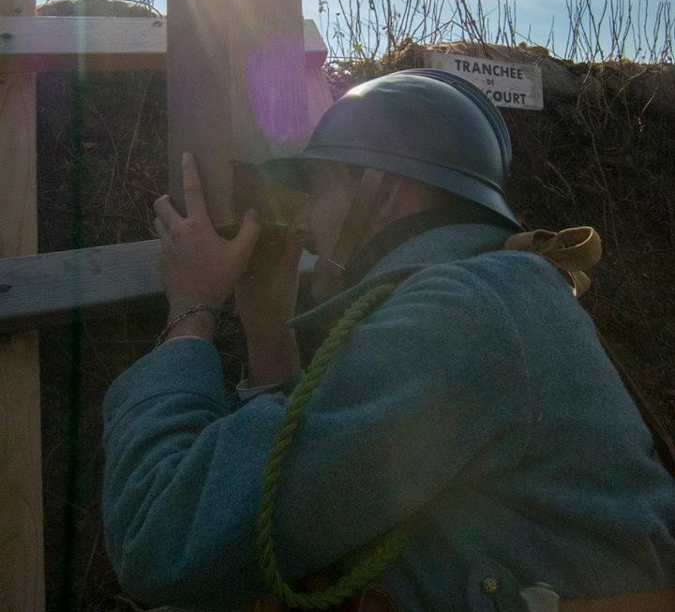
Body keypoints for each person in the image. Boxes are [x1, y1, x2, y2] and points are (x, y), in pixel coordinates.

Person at [102, 69, 675, 612]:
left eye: (316, 192)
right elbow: (310, 478)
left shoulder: (466, 313)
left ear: (385, 190)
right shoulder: (492, 293)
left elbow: (162, 535)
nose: (300, 223)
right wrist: (268, 329)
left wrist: (190, 308)